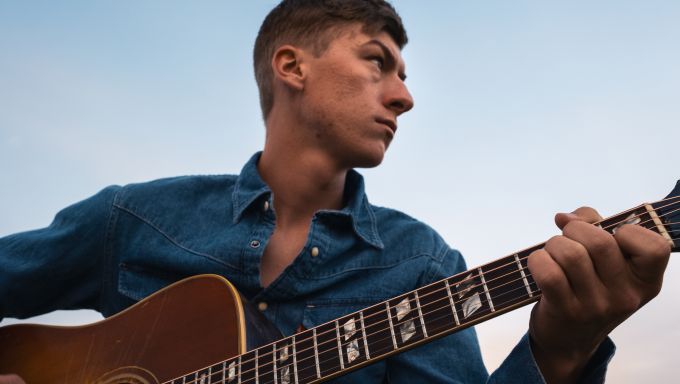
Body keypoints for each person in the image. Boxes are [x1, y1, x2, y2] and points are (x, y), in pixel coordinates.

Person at [0, 1, 671, 383]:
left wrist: (562, 349)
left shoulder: (420, 265)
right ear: (292, 66)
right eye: (377, 62)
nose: (405, 97)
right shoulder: (135, 218)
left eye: (405, 75)